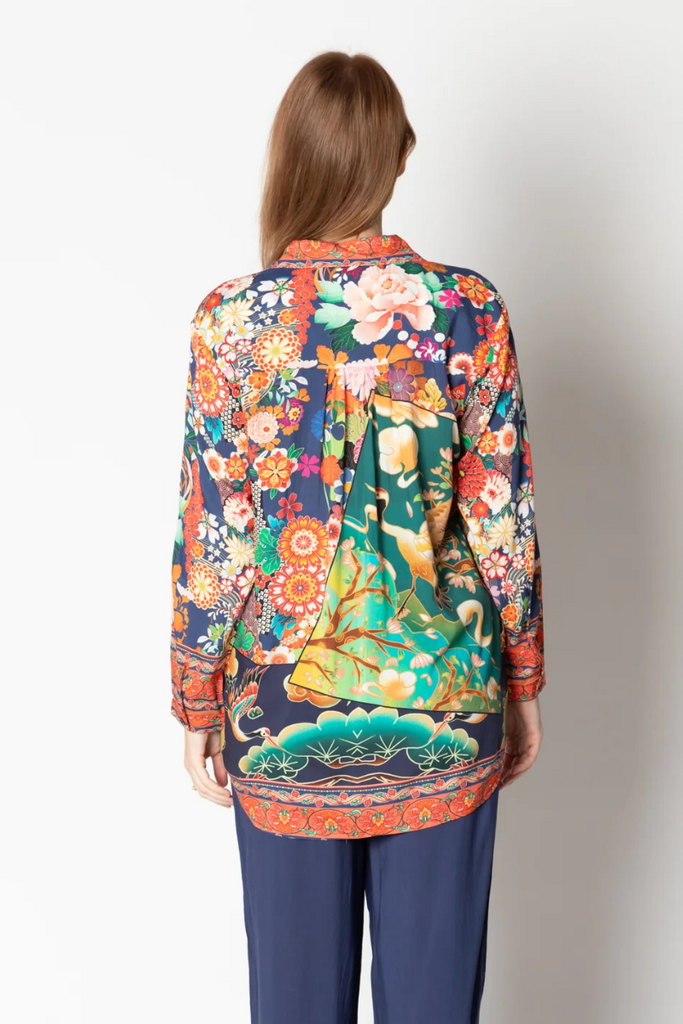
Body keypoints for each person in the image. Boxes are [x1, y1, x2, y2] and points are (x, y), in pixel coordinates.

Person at [169, 50, 545, 1024]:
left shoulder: (231, 322)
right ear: (398, 154)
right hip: (446, 701)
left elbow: (215, 535)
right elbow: (500, 522)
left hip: (278, 710)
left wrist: (196, 698)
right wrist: (522, 681)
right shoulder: (467, 311)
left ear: (288, 156)